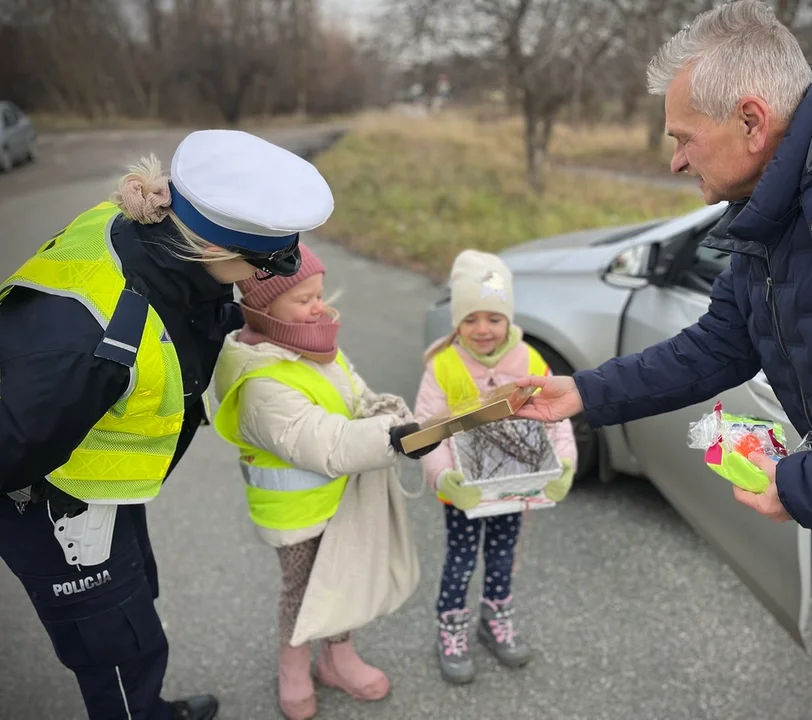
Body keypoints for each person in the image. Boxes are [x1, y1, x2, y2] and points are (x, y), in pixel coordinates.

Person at [514, 2, 812, 718]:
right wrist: (585, 394)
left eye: (685, 138)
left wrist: (808, 485)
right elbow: (721, 342)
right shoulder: (774, 207)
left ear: (752, 121)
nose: (675, 160)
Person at [0, 128, 336, 720]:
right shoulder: (96, 344)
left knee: (135, 595)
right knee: (115, 642)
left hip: (100, 473)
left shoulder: (150, 232)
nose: (263, 278)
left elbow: (190, 307)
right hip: (51, 498)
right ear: (209, 250)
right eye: (260, 265)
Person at [211, 245, 433, 720]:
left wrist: (394, 417)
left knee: (343, 577)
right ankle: (293, 667)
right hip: (297, 512)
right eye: (304, 299)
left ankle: (338, 658)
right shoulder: (260, 383)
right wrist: (390, 438)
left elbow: (356, 394)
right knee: (303, 589)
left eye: (319, 294)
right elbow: (324, 442)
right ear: (263, 309)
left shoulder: (314, 344)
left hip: (341, 498)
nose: (320, 307)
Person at [414, 250, 577, 684]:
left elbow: (556, 422)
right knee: (461, 558)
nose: (482, 329)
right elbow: (428, 429)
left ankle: (494, 617)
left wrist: (563, 466)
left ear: (508, 319)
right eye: (470, 319)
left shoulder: (529, 363)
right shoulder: (443, 365)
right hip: (463, 489)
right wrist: (443, 477)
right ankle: (451, 628)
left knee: (504, 555)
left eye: (493, 317)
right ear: (457, 322)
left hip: (515, 487)